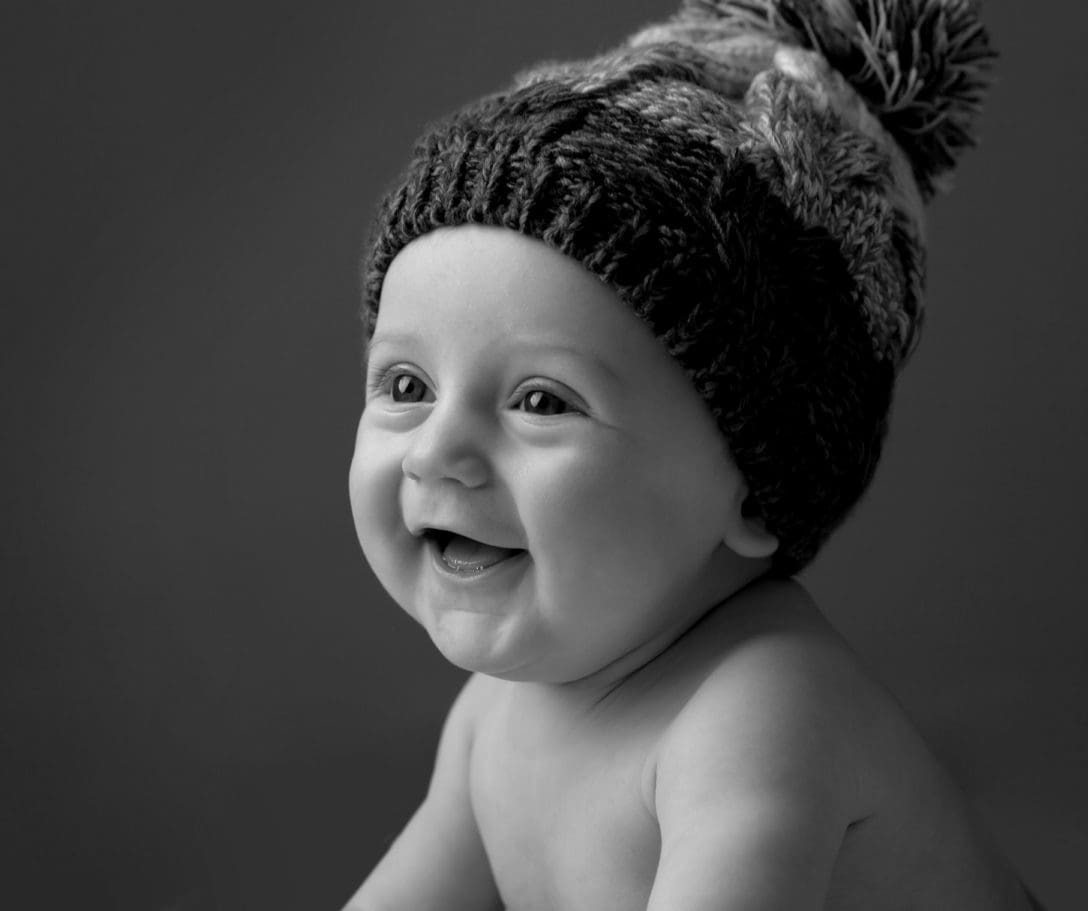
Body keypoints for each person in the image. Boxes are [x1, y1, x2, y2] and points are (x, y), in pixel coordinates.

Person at [344, 1, 1039, 908]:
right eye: (406, 386)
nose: (438, 450)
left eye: (542, 401)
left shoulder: (760, 715)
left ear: (754, 489)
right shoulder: (496, 712)